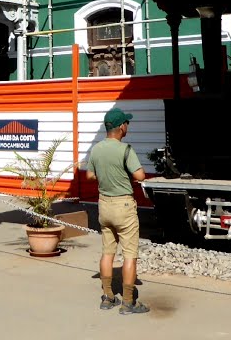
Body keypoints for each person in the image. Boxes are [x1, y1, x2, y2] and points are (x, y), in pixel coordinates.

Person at [86, 106, 148, 315]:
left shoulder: (96, 150)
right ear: (121, 127)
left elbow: (89, 176)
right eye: (126, 123)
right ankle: (128, 302)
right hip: (124, 207)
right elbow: (140, 176)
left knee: (107, 252)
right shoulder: (126, 150)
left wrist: (105, 176)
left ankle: (107, 297)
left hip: (104, 205)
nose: (127, 126)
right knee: (129, 255)